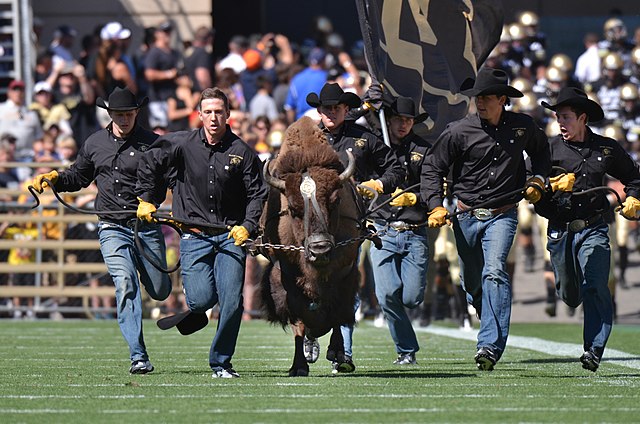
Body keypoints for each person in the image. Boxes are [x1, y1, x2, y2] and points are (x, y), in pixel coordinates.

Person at [31, 87, 172, 374]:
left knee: (159, 290)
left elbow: (168, 180)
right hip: (111, 226)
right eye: (119, 114)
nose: (124, 119)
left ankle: (157, 291)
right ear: (110, 114)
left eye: (129, 114)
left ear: (137, 113)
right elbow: (79, 176)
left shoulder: (154, 144)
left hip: (145, 226)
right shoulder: (95, 143)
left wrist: (151, 201)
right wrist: (55, 178)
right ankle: (138, 356)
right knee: (125, 282)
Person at [421, 68, 551, 371]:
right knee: (472, 282)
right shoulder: (458, 131)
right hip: (465, 214)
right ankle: (483, 304)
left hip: (503, 213)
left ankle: (489, 346)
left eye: (487, 98)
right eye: (477, 98)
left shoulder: (523, 127)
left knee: (494, 272)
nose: (480, 103)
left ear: (502, 99)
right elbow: (432, 168)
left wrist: (539, 179)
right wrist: (435, 205)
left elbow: (542, 153)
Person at [136, 87, 268, 378]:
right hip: (193, 235)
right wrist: (147, 198)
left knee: (232, 300)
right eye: (207, 112)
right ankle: (195, 311)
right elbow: (149, 161)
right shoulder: (180, 144)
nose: (213, 118)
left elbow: (258, 193)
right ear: (199, 115)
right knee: (199, 300)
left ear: (228, 115)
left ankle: (221, 362)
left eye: (218, 112)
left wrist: (247, 225)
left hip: (230, 235)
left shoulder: (242, 152)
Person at [302, 82, 405, 373]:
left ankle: (343, 353)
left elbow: (396, 168)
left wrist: (378, 184)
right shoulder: (306, 140)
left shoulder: (364, 139)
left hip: (349, 226)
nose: (331, 113)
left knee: (347, 286)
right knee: (311, 286)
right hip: (311, 228)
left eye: (336, 108)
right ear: (319, 111)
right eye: (326, 108)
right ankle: (311, 329)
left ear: (347, 109)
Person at [536, 87, 640, 372]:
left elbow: (634, 177)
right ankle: (569, 292)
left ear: (583, 118)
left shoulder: (606, 148)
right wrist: (546, 189)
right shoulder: (549, 150)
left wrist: (634, 198)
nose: (561, 123)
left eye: (566, 117)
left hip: (594, 227)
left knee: (596, 284)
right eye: (558, 117)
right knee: (570, 294)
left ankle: (594, 349)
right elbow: (531, 189)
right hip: (560, 229)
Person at [368, 96, 430, 365]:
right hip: (382, 230)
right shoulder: (375, 146)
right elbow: (348, 129)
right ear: (389, 120)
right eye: (399, 119)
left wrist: (416, 199)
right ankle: (406, 349)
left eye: (408, 120)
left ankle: (406, 346)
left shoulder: (425, 149)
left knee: (411, 297)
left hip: (414, 230)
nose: (404, 125)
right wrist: (368, 105)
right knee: (387, 293)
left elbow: (434, 186)